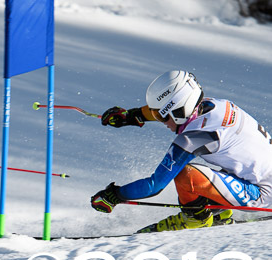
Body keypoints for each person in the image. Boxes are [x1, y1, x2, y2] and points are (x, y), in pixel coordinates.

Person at [90, 70, 272, 232]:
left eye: (161, 116)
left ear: (180, 110)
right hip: (260, 180)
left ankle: (196, 219)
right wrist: (132, 116)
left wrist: (114, 195)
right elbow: (173, 107)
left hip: (262, 197)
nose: (162, 122)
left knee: (186, 175)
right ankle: (218, 212)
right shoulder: (216, 105)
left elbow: (154, 186)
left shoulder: (194, 137)